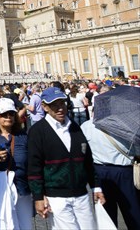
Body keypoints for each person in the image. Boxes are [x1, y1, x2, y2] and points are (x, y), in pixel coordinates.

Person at [27, 87, 105, 229]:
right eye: (54, 105)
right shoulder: (37, 131)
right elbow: (34, 168)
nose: (60, 109)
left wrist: (96, 186)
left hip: (81, 193)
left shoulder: (74, 126)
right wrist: (38, 196)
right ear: (44, 107)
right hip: (56, 196)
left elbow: (87, 160)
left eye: (62, 103)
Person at [0, 98, 32, 230]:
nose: (8, 117)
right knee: (5, 223)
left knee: (25, 225)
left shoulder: (22, 135)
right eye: (4, 114)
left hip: (22, 187)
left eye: (11, 114)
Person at [81, 109, 140, 228]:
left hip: (99, 170)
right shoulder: (123, 124)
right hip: (124, 172)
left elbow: (82, 150)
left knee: (106, 215)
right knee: (133, 212)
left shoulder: (87, 126)